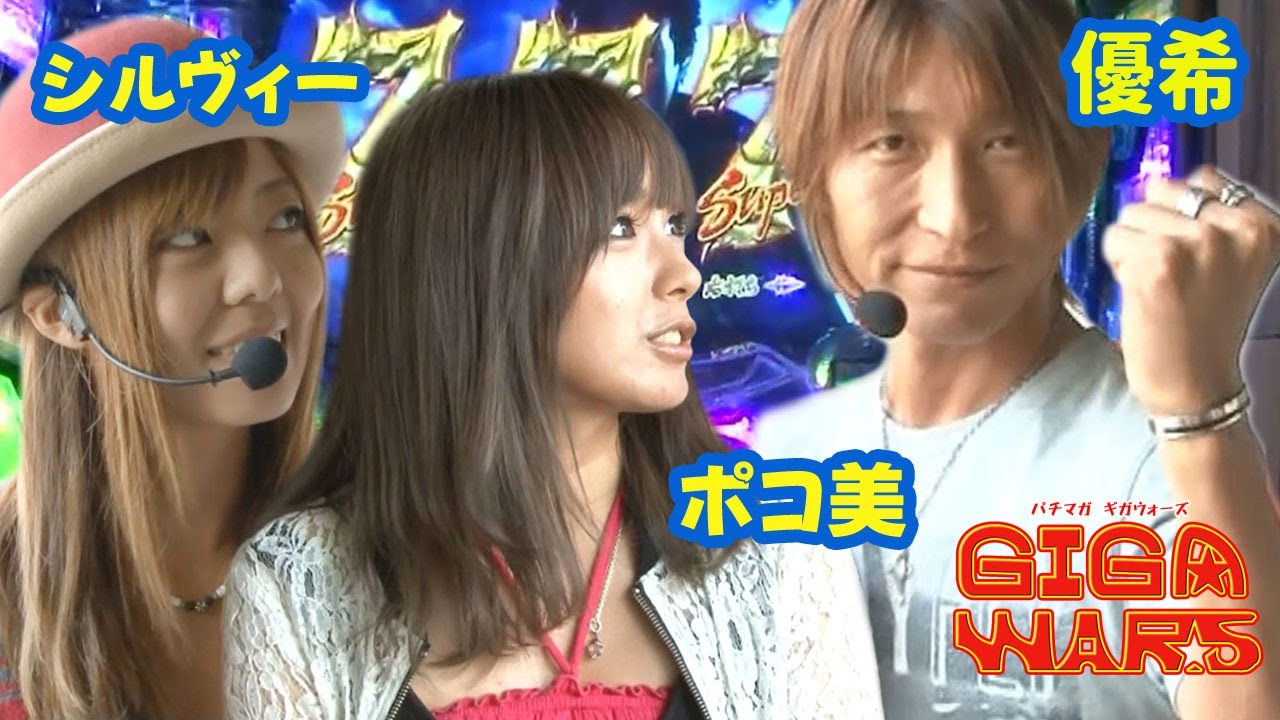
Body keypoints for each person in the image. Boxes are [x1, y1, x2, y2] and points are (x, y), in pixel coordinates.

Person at [221, 70, 884, 720]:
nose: (684, 274)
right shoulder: (298, 578)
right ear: (479, 262)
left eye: (675, 226)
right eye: (621, 228)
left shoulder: (777, 550)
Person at [758, 0, 1280, 719]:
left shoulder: (1163, 463)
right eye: (893, 144)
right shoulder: (790, 454)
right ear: (817, 173)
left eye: (1005, 142)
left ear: (1077, 166)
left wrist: (1201, 414)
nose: (954, 217)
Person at [0, 17, 344, 719]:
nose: (260, 278)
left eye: (284, 219)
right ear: (58, 315)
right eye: (188, 237)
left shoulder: (393, 551)